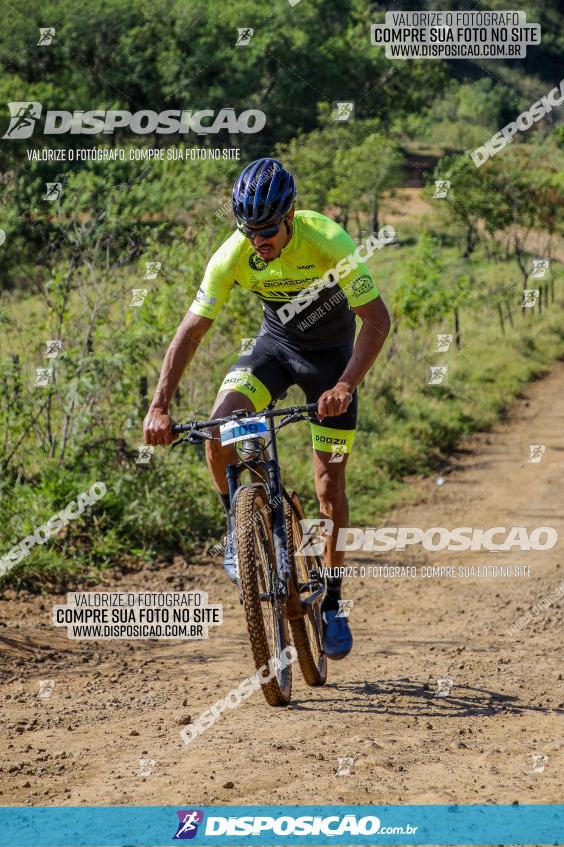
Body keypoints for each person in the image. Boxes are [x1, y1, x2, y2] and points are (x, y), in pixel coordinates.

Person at [143, 158, 391, 659]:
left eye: (269, 230)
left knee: (328, 488)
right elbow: (191, 330)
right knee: (218, 431)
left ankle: (335, 602)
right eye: (250, 230)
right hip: (275, 350)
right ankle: (239, 529)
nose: (260, 241)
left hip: (331, 364)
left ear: (292, 215)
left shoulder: (328, 241)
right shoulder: (233, 254)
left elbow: (378, 321)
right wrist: (159, 405)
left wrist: (345, 384)